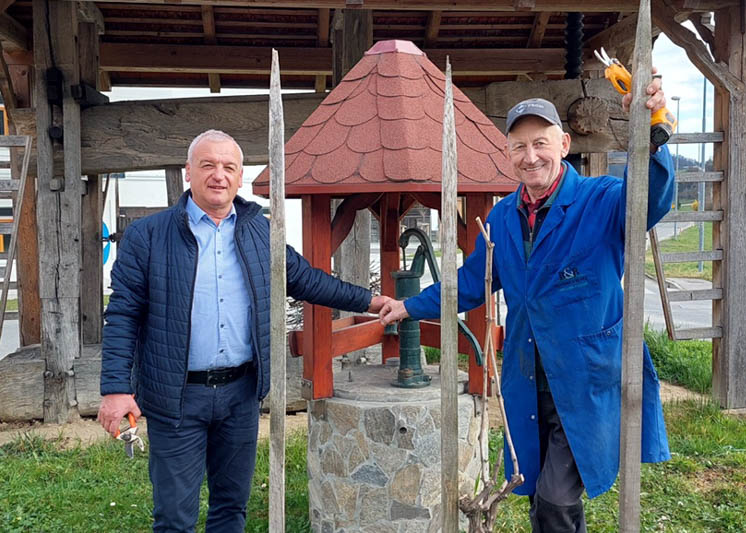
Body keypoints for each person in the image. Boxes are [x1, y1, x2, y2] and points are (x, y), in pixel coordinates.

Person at [379, 75, 673, 532]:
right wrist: (410, 306)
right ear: (508, 153)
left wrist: (652, 131)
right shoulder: (502, 217)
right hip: (528, 377)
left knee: (556, 499)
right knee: (538, 491)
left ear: (564, 144)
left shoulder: (600, 201)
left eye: (540, 143)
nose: (530, 156)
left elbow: (649, 198)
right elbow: (471, 282)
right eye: (519, 146)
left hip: (585, 379)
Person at [98, 130, 389, 533]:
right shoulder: (148, 236)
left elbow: (307, 280)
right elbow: (123, 314)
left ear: (239, 177)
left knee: (231, 508)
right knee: (175, 518)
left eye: (228, 167)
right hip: (176, 397)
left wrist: (372, 302)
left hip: (240, 395)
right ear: (188, 172)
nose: (218, 175)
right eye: (208, 165)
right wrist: (116, 389)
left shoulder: (259, 232)